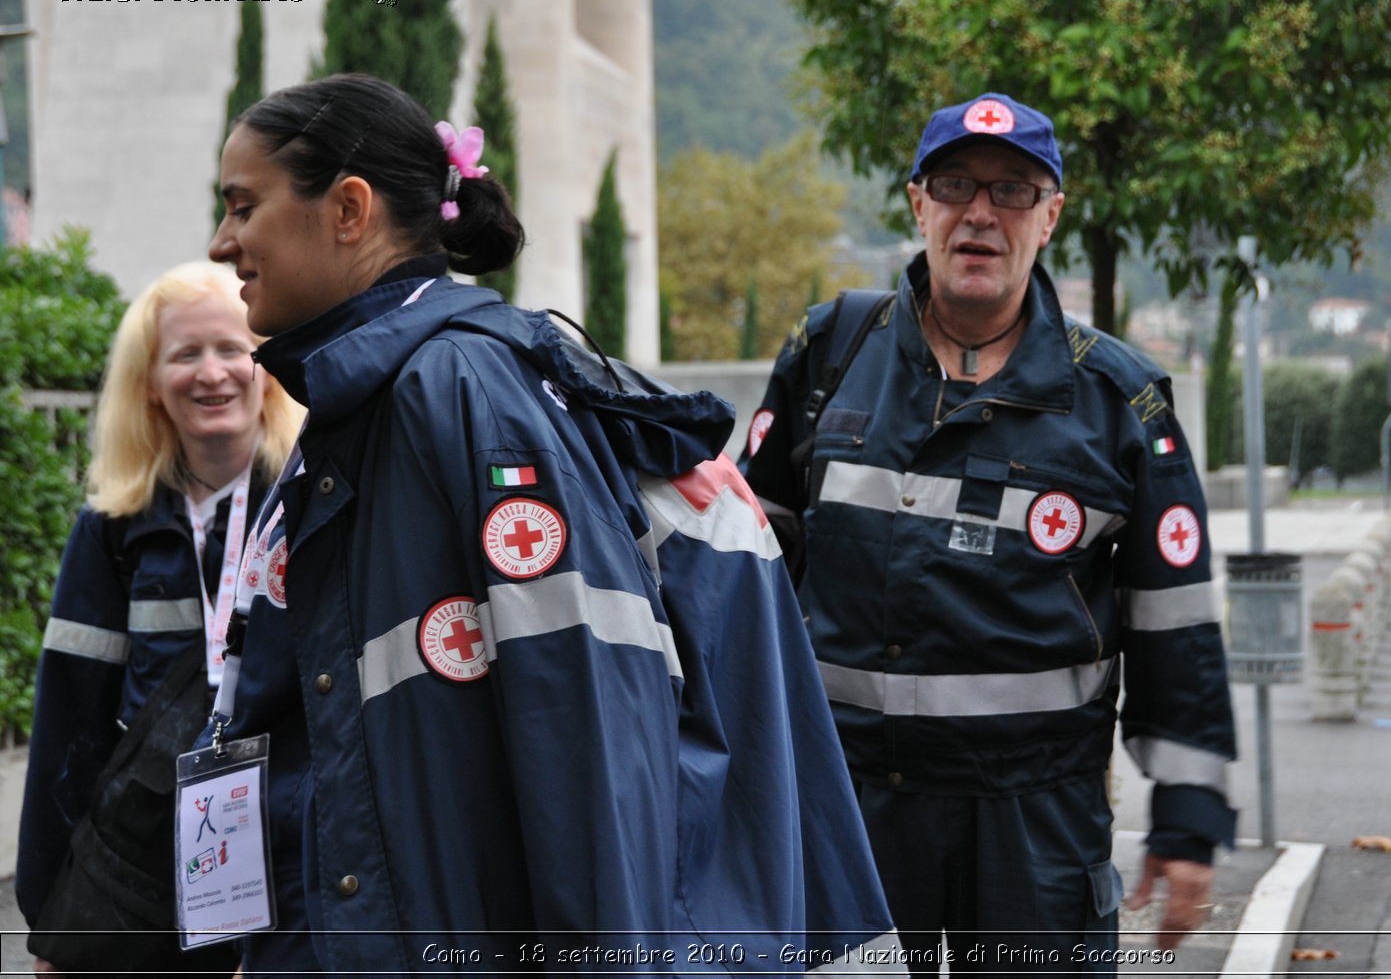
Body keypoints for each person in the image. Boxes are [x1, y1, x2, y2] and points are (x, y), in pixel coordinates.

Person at [203, 72, 898, 973]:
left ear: (348, 209)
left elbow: (585, 727)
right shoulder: (365, 403)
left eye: (242, 206)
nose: (223, 243)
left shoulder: (457, 393)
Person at [740, 92, 1238, 972]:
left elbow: (1177, 623)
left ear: (1050, 217)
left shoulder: (1124, 402)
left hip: (1034, 827)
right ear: (917, 203)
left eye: (1013, 190)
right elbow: (745, 573)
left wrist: (1190, 819)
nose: (981, 212)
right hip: (847, 811)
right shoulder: (828, 356)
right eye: (957, 183)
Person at [17, 262, 301, 974]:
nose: (213, 373)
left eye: (234, 349)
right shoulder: (113, 526)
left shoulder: (306, 504)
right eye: (185, 354)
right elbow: (69, 721)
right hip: (145, 868)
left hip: (284, 852)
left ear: (267, 367)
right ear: (148, 382)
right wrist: (55, 912)